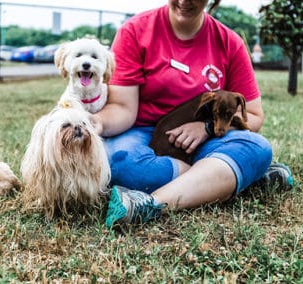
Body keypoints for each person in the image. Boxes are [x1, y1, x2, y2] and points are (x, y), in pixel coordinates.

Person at [91, 0, 293, 227]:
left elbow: (254, 116)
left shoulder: (229, 42)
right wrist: (96, 122)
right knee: (118, 164)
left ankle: (148, 204)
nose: (183, 1)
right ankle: (225, 180)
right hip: (143, 135)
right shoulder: (135, 31)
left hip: (206, 142)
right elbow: (123, 108)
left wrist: (206, 128)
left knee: (258, 148)